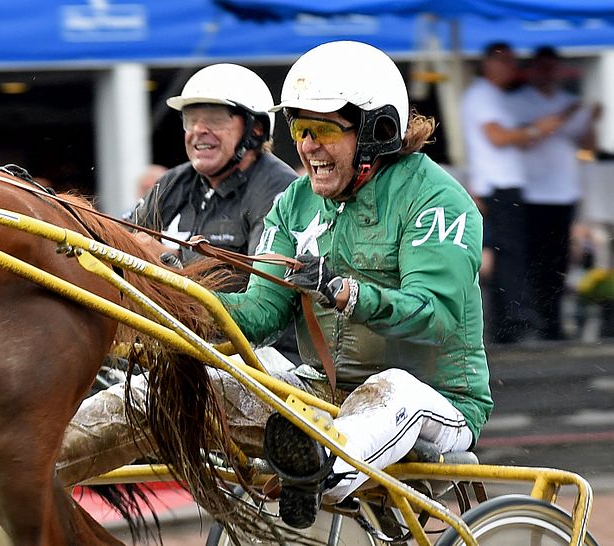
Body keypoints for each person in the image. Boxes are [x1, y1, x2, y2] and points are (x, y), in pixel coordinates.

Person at [57, 40, 492, 532]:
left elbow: (435, 316)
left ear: (378, 131)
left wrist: (346, 292)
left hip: (435, 400)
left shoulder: (437, 200)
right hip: (321, 398)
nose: (307, 146)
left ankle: (315, 467)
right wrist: (164, 297)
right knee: (163, 393)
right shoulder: (295, 204)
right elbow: (258, 316)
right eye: (301, 128)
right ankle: (17, 469)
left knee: (389, 389)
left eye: (324, 128)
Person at [130, 62, 300, 361]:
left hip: (268, 358)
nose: (198, 131)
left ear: (256, 129)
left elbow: (259, 305)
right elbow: (122, 242)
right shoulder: (175, 181)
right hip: (191, 346)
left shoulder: (278, 189)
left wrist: (167, 266)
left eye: (214, 119)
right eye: (191, 119)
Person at [461, 42, 565, 344]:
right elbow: (497, 136)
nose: (510, 68)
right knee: (510, 256)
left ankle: (510, 320)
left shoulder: (493, 96)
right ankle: (513, 320)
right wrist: (536, 129)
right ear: (489, 64)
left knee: (511, 254)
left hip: (504, 183)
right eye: (504, 61)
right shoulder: (482, 95)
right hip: (499, 185)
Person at [510, 46, 601, 341]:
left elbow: (588, 145)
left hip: (564, 192)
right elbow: (527, 137)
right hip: (534, 193)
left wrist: (591, 121)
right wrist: (567, 115)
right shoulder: (520, 101)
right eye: (543, 67)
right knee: (536, 260)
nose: (548, 73)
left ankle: (555, 321)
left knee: (561, 261)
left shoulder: (569, 101)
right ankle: (538, 318)